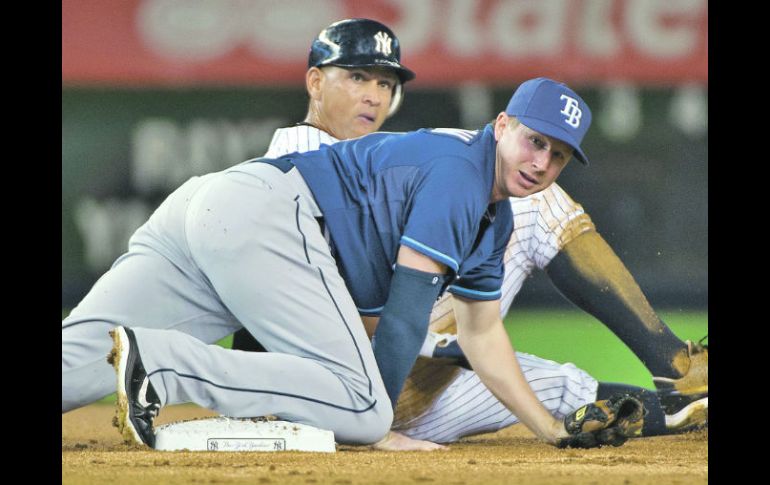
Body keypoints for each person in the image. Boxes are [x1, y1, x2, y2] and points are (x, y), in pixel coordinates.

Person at [226, 19, 707, 447]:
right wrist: (443, 347)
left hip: (416, 386)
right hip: (356, 377)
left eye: (385, 81)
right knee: (532, 200)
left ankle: (687, 404)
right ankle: (674, 365)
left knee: (561, 389)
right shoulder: (299, 155)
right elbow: (323, 309)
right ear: (314, 82)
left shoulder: (385, 158)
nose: (374, 94)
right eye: (356, 77)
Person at [64, 72, 598, 449]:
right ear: (502, 126)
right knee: (361, 410)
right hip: (267, 219)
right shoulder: (463, 172)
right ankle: (163, 364)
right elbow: (408, 313)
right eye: (535, 141)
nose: (541, 162)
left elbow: (483, 336)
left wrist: (549, 428)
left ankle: (152, 359)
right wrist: (381, 423)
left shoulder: (492, 218)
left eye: (558, 155)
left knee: (77, 361)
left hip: (211, 206)